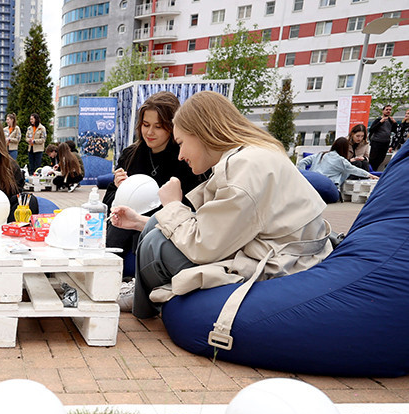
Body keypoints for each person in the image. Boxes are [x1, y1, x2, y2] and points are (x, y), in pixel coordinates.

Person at [111, 91, 332, 321]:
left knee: (156, 244)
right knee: (155, 224)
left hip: (279, 266)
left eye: (182, 143)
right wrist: (141, 221)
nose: (181, 155)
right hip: (278, 253)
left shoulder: (242, 170)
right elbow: (219, 228)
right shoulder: (250, 155)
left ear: (202, 134)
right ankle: (142, 299)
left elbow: (203, 245)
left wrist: (173, 205)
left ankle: (143, 304)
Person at [103, 91, 207, 276]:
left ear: (172, 127)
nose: (149, 132)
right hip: (123, 231)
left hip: (163, 233)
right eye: (145, 125)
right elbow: (107, 202)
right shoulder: (130, 155)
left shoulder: (186, 159)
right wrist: (120, 190)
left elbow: (194, 209)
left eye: (158, 126)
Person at [298, 137, 378, 188]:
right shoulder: (341, 160)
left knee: (345, 169)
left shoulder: (320, 154)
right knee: (346, 170)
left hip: (312, 182)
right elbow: (354, 170)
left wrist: (304, 177)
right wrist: (369, 175)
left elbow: (302, 162)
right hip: (327, 185)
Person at [368, 104, 397, 171]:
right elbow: (372, 129)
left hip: (385, 143)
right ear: (383, 111)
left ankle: (375, 170)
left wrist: (395, 123)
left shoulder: (390, 120)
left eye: (390, 110)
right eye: (387, 109)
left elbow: (394, 130)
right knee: (373, 159)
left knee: (381, 159)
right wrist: (380, 122)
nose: (388, 111)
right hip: (376, 142)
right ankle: (371, 171)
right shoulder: (378, 120)